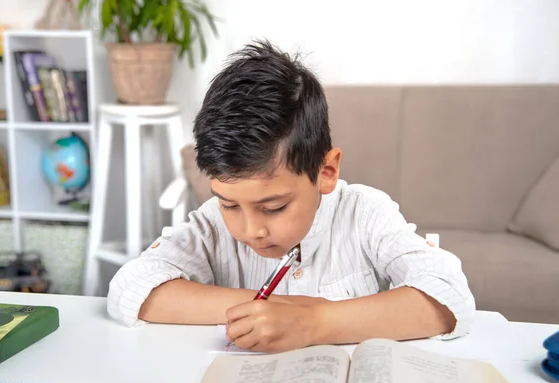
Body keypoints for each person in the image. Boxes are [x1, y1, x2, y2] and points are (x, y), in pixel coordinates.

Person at [107, 39, 476, 353]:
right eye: (230, 203)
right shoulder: (212, 225)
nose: (251, 230)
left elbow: (449, 296)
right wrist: (265, 309)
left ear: (326, 172)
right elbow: (131, 287)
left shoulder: (366, 214)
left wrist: (312, 321)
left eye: (274, 207)